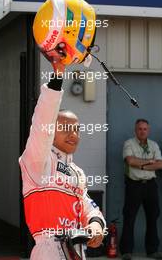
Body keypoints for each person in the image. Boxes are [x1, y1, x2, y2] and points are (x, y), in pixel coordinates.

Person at [19, 51, 106, 259]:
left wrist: (95, 226)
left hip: (76, 249)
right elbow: (42, 123)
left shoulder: (78, 173)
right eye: (65, 128)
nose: (73, 134)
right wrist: (57, 77)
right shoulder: (38, 161)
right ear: (51, 131)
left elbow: (89, 207)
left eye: (77, 129)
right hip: (47, 249)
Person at [120, 119, 162, 260]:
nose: (142, 131)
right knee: (129, 217)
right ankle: (126, 251)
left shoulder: (154, 145)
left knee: (153, 217)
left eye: (145, 129)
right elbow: (131, 161)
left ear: (148, 130)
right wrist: (150, 162)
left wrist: (142, 166)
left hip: (150, 185)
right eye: (140, 129)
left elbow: (161, 164)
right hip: (134, 184)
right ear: (135, 130)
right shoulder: (129, 143)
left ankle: (152, 250)